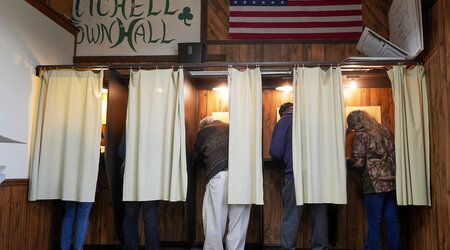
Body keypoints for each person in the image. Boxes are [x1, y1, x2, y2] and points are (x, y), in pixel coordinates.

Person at [270, 102, 328, 250]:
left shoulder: (284, 121)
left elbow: (276, 151)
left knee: (292, 217)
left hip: (294, 175)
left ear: (283, 112)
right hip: (318, 176)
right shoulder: (316, 120)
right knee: (319, 217)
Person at [191, 116, 251, 250]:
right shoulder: (231, 127)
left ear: (204, 125)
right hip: (241, 175)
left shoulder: (204, 132)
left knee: (214, 220)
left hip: (219, 175)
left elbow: (195, 156)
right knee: (238, 221)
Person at [346, 110, 400, 250]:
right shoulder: (385, 130)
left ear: (357, 123)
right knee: (392, 221)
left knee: (374, 223)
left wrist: (344, 161)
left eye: (354, 127)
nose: (354, 130)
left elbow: (358, 162)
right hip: (392, 182)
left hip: (374, 183)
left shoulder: (362, 135)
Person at [119, 131, 160, 250]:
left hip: (131, 174)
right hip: (151, 174)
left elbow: (122, 151)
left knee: (131, 217)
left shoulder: (132, 122)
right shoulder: (159, 124)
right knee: (151, 217)